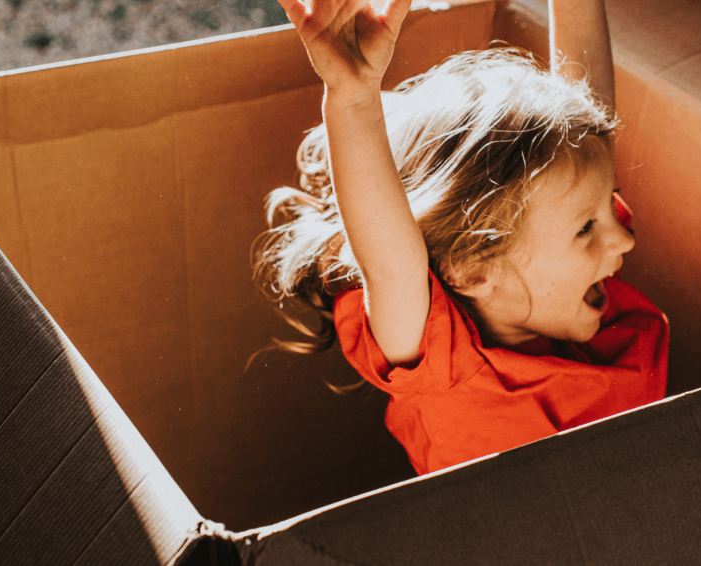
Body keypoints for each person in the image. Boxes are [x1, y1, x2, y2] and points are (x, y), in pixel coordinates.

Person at [254, 0, 668, 475]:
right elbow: (391, 264)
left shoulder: (561, 271)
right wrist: (352, 99)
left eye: (607, 205)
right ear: (475, 269)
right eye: (586, 227)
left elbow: (589, 115)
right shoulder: (443, 361)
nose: (624, 239)